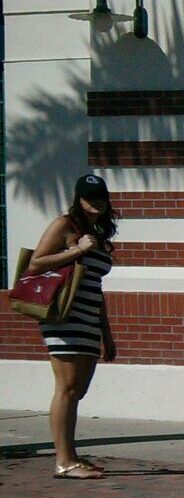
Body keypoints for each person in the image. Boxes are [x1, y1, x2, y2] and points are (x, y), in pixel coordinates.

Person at [28, 173, 117, 480]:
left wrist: (107, 333)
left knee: (78, 389)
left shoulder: (97, 232)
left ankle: (73, 456)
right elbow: (36, 263)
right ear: (79, 199)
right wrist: (78, 249)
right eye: (91, 198)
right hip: (63, 317)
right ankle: (63, 461)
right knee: (66, 388)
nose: (97, 202)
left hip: (89, 318)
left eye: (101, 197)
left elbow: (95, 284)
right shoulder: (64, 225)